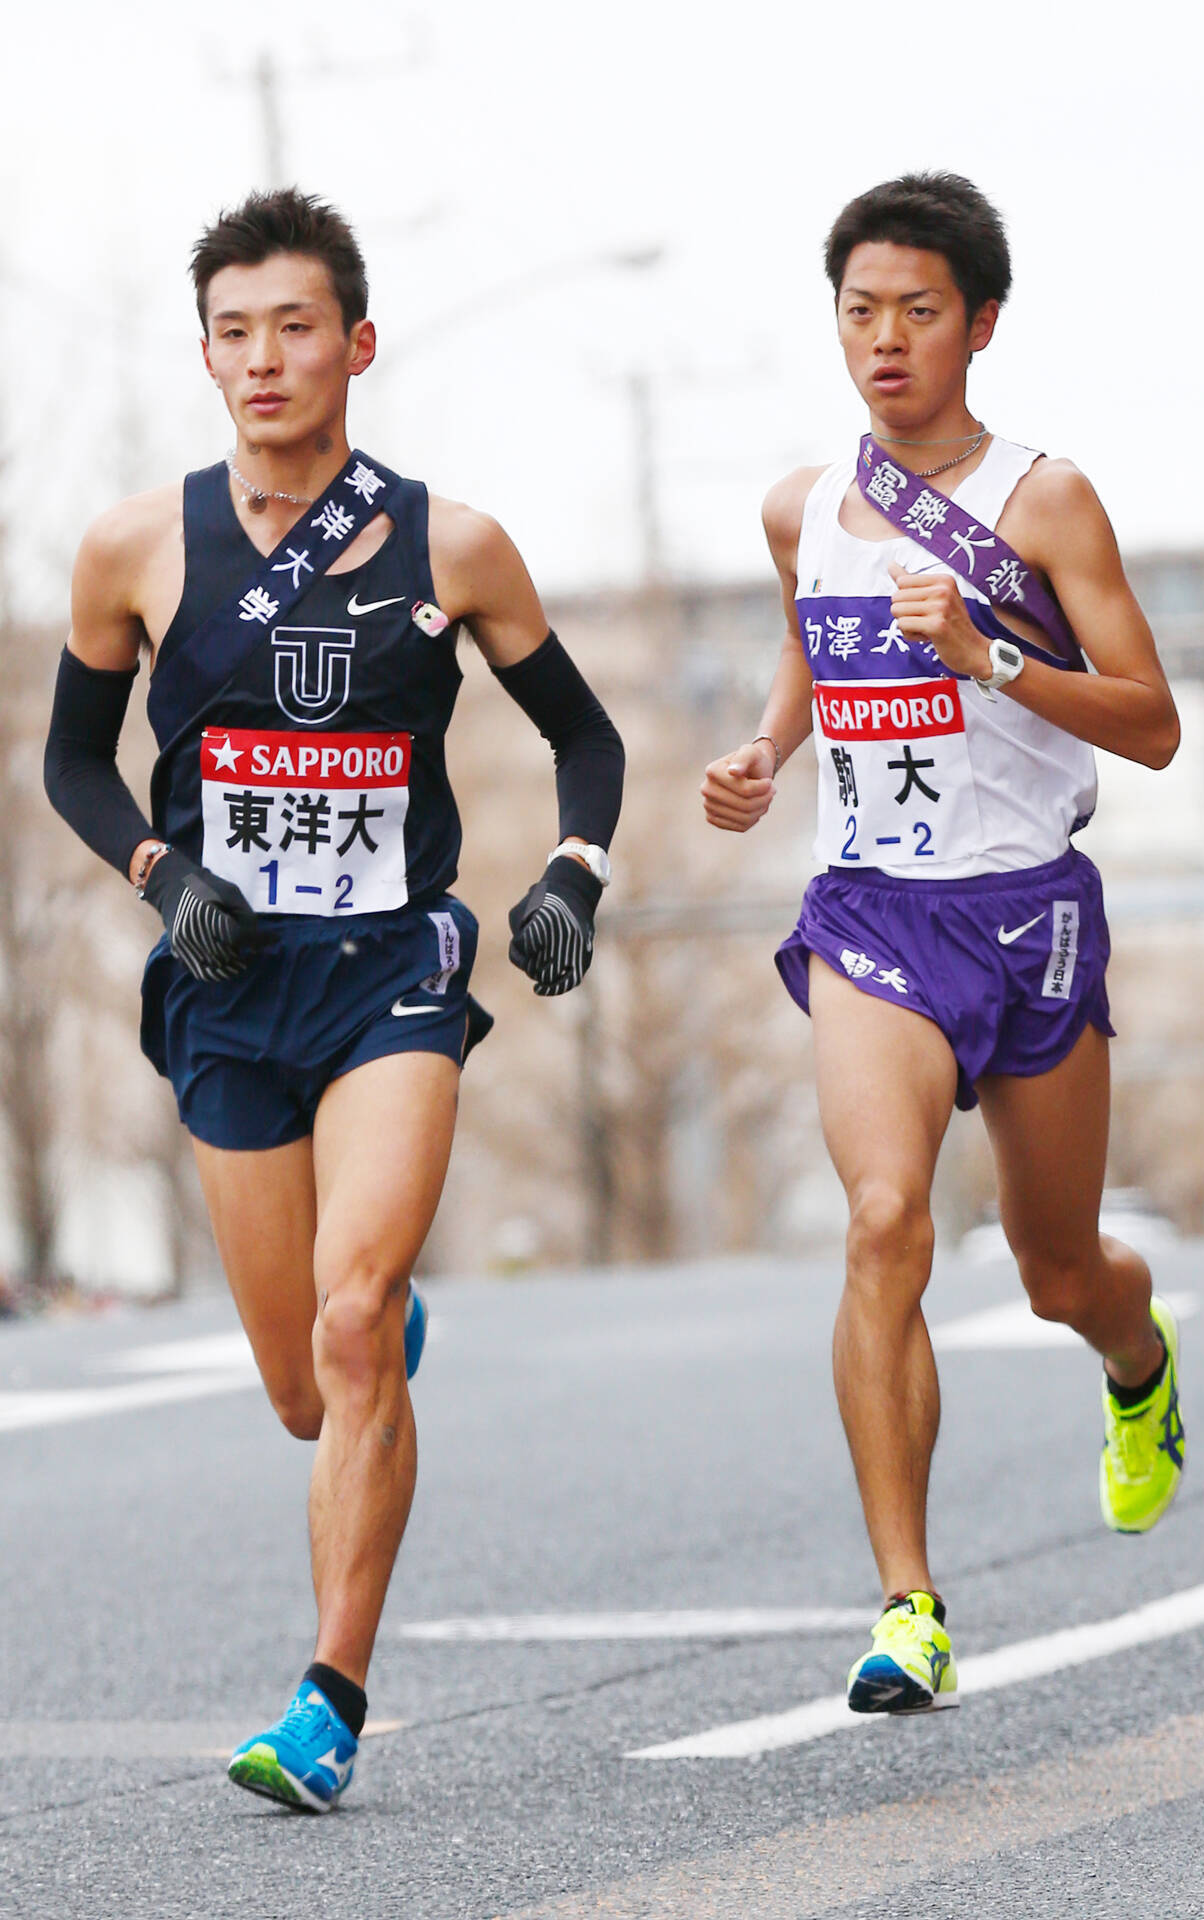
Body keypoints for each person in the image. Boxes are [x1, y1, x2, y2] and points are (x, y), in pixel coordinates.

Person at [45, 188, 623, 1807]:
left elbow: (586, 734)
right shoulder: (133, 548)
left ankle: (328, 1699)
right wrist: (168, 877)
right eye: (234, 332)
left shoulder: (454, 542)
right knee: (307, 1389)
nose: (265, 358)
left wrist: (573, 864)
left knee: (353, 1318)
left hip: (392, 976)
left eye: (296, 326)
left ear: (356, 344)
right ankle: (363, 1337)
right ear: (208, 354)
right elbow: (71, 763)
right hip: (228, 985)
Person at [701, 172, 1183, 1715]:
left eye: (918, 311)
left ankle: (1136, 1362)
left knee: (1054, 1269)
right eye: (859, 312)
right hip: (876, 915)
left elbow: (1156, 725)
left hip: (1028, 911)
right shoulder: (802, 505)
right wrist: (770, 753)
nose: (886, 341)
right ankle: (906, 1602)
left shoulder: (1045, 500)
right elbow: (806, 635)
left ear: (980, 322)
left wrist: (991, 654)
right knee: (883, 1219)